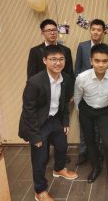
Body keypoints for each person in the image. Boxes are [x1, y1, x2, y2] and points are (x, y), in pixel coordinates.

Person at [19, 45, 78, 201]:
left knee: (62, 146)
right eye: (53, 59)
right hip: (38, 124)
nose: (57, 63)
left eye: (61, 59)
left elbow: (65, 102)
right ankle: (40, 190)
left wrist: (65, 121)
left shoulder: (66, 79)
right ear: (45, 60)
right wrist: (35, 136)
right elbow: (28, 111)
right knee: (40, 158)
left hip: (55, 119)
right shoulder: (35, 82)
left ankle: (58, 169)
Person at [74, 43, 108, 198]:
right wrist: (81, 114)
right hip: (86, 111)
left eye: (104, 61)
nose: (101, 64)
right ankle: (96, 168)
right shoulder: (82, 78)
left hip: (104, 112)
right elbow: (77, 97)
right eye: (97, 61)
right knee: (90, 141)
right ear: (91, 60)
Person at [27, 19, 75, 165]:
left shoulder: (65, 50)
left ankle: (60, 156)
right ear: (42, 33)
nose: (53, 33)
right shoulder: (35, 51)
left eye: (55, 30)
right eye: (49, 30)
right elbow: (31, 74)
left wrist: (70, 93)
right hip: (42, 99)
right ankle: (44, 154)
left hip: (60, 95)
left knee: (60, 127)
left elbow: (69, 73)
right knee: (44, 127)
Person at [74, 19, 105, 166]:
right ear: (90, 30)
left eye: (99, 30)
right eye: (94, 29)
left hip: (99, 92)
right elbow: (77, 68)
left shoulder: (105, 48)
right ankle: (83, 151)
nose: (96, 32)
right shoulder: (82, 46)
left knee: (98, 126)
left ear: (103, 32)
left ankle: (97, 151)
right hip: (84, 92)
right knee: (84, 124)